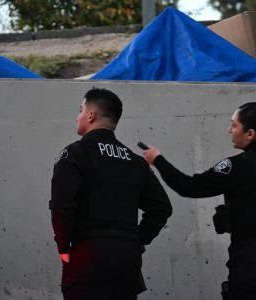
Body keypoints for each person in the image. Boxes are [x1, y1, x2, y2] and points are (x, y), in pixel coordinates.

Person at [143, 102, 256, 300]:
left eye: (234, 125)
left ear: (250, 134)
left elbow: (189, 186)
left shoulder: (237, 166)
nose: (229, 130)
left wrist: (157, 160)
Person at [49, 87, 172, 300]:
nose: (78, 116)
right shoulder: (136, 162)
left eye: (80, 110)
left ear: (90, 115)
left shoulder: (76, 153)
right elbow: (162, 207)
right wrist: (138, 239)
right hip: (127, 258)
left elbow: (61, 205)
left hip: (88, 253)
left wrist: (63, 247)